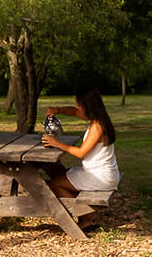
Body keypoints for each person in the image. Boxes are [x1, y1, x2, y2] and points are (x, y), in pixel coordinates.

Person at [42, 88, 121, 219]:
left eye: (79, 104)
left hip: (100, 177)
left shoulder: (97, 126)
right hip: (104, 173)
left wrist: (56, 143)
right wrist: (58, 110)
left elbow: (81, 152)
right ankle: (85, 211)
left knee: (54, 184)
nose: (78, 107)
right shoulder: (99, 118)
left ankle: (86, 216)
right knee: (60, 174)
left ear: (88, 105)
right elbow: (73, 111)